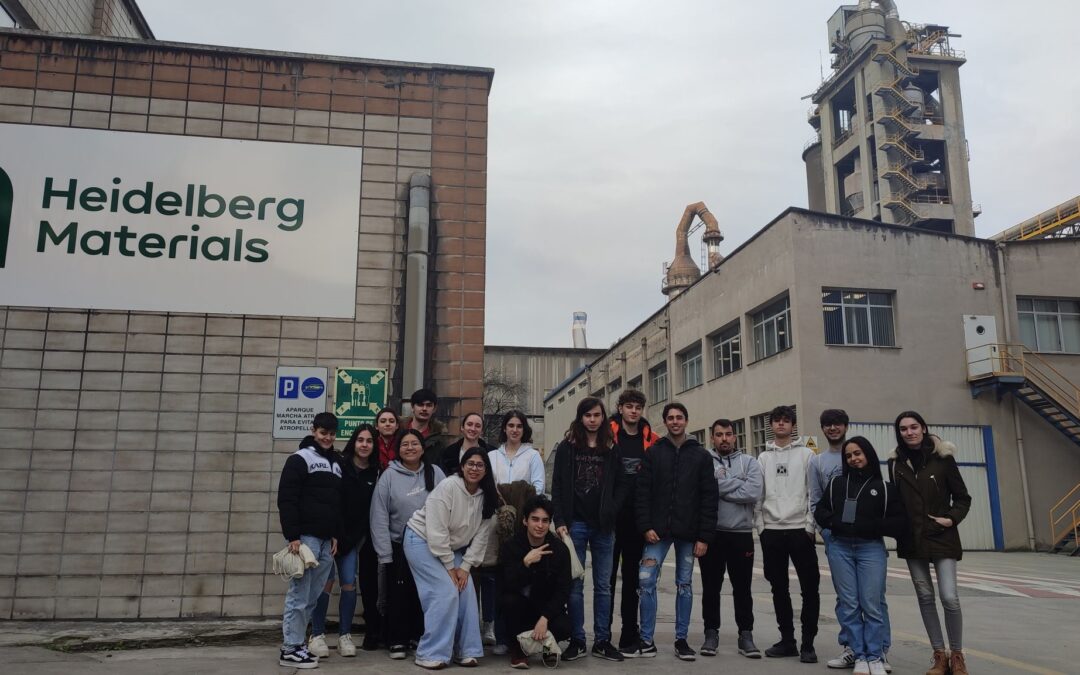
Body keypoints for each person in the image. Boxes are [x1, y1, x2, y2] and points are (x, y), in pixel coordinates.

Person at [629, 401, 718, 662]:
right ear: (665, 422)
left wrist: (704, 537)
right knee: (646, 582)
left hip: (689, 534)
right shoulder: (654, 452)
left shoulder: (701, 456)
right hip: (657, 533)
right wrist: (645, 526)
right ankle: (646, 639)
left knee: (685, 585)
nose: (675, 421)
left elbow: (709, 498)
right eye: (671, 418)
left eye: (680, 417)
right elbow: (642, 493)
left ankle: (681, 640)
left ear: (686, 421)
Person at [888, 411, 972, 675]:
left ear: (923, 428)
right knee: (925, 597)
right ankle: (939, 656)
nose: (909, 432)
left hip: (942, 536)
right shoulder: (895, 463)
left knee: (949, 597)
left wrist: (950, 519)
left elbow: (963, 498)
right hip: (912, 540)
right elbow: (897, 503)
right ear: (899, 433)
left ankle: (957, 655)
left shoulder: (943, 458)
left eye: (914, 427)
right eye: (903, 429)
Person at [815, 437, 907, 675]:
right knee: (849, 603)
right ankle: (858, 654)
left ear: (868, 454)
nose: (854, 458)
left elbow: (899, 522)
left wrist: (873, 527)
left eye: (858, 453)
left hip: (870, 548)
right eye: (848, 456)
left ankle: (875, 655)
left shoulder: (885, 488)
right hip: (840, 547)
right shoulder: (836, 483)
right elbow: (821, 510)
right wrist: (833, 524)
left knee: (872, 603)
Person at [403, 447, 498, 669]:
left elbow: (481, 537)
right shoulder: (448, 486)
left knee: (466, 591)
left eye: (480, 465)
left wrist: (464, 567)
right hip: (421, 540)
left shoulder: (487, 497)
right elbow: (436, 531)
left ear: (486, 470)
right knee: (445, 592)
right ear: (462, 467)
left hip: (452, 547)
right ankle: (429, 652)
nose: (474, 469)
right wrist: (450, 567)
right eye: (470, 464)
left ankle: (467, 650)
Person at [550, 397, 629, 662]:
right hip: (575, 526)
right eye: (588, 415)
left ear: (603, 418)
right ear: (580, 417)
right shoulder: (567, 447)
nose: (592, 419)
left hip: (603, 527)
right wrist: (560, 521)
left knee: (604, 586)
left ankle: (603, 640)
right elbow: (558, 486)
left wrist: (612, 509)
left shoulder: (611, 447)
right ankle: (577, 640)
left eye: (597, 415)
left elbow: (621, 485)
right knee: (575, 585)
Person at [370, 428, 445, 660]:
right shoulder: (389, 476)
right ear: (398, 450)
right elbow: (379, 515)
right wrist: (384, 552)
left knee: (423, 594)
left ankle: (419, 636)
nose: (410, 448)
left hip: (429, 547)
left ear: (423, 448)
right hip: (397, 546)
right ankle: (397, 640)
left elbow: (447, 506)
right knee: (398, 595)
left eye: (414, 444)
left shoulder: (436, 473)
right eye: (405, 444)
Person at [309, 423, 382, 658]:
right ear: (354, 442)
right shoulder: (339, 465)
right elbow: (331, 501)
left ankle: (344, 635)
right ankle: (317, 634)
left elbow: (371, 511)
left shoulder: (376, 472)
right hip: (330, 536)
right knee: (325, 584)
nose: (364, 444)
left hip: (352, 540)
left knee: (349, 583)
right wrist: (333, 534)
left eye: (369, 441)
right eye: (360, 440)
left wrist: (354, 539)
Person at [276, 412, 343, 669]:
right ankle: (290, 648)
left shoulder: (336, 463)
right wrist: (292, 536)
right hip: (305, 539)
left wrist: (336, 533)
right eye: (323, 432)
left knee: (313, 596)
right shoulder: (299, 459)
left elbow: (337, 503)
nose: (327, 438)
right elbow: (287, 499)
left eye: (331, 433)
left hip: (327, 541)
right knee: (299, 594)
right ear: (313, 430)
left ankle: (298, 645)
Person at [755, 404, 820, 663]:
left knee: (810, 589)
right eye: (777, 421)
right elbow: (757, 496)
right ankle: (787, 641)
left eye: (786, 421)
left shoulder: (807, 455)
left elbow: (813, 494)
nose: (781, 424)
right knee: (778, 589)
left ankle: (808, 644)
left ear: (793, 426)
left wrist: (809, 526)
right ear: (771, 426)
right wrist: (760, 528)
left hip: (799, 532)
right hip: (771, 532)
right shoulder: (763, 457)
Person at [699, 418, 764, 659]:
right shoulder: (704, 460)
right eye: (719, 434)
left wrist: (719, 485)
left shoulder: (749, 462)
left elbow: (753, 492)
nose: (724, 438)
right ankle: (710, 633)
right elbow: (703, 489)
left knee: (743, 588)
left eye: (728, 434)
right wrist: (737, 482)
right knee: (710, 588)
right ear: (712, 437)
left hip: (741, 535)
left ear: (735, 437)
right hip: (711, 534)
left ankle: (745, 635)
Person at [483, 410, 545, 654]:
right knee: (498, 579)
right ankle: (500, 637)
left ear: (524, 430)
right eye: (510, 425)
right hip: (497, 524)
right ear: (504, 429)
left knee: (522, 581)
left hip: (523, 525)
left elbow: (538, 488)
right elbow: (488, 486)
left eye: (519, 426)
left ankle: (523, 637)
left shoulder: (532, 457)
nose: (515, 430)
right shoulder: (491, 456)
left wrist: (526, 514)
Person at [606, 389, 659, 651]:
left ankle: (629, 634)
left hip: (636, 523)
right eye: (629, 406)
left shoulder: (651, 440)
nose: (634, 411)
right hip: (610, 520)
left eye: (638, 407)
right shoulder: (607, 436)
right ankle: (603, 635)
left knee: (632, 581)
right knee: (606, 581)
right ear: (621, 408)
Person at [500, 495, 572, 669]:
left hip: (545, 609)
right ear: (525, 521)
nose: (540, 525)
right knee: (509, 601)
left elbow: (564, 589)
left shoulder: (559, 549)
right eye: (535, 519)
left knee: (565, 626)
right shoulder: (512, 546)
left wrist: (545, 618)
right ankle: (519, 649)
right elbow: (506, 584)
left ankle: (547, 647)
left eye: (545, 521)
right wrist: (525, 563)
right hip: (521, 609)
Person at [401, 387, 454, 468]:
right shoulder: (398, 430)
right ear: (412, 407)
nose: (424, 409)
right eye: (420, 405)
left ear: (434, 408)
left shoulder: (440, 437)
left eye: (429, 405)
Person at [440, 412, 490, 478]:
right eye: (469, 424)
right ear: (462, 428)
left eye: (477, 426)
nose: (473, 429)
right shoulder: (448, 453)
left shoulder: (491, 453)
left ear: (482, 431)